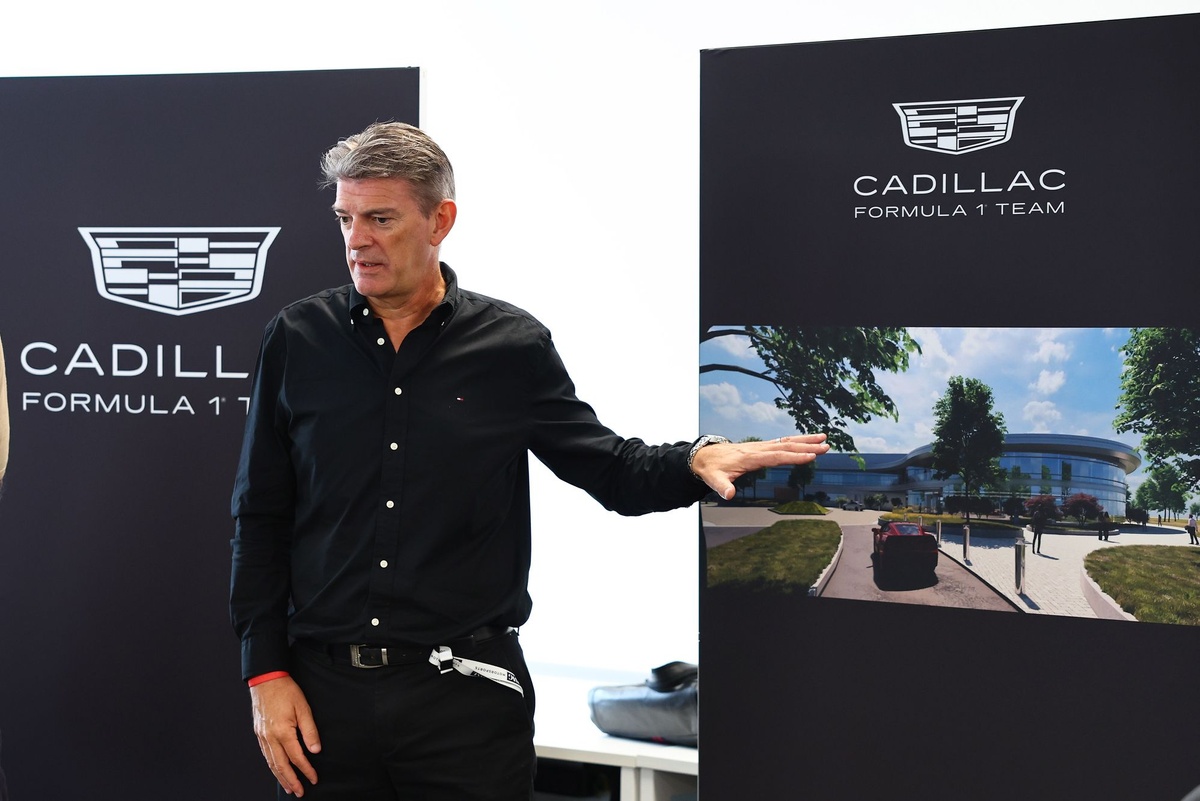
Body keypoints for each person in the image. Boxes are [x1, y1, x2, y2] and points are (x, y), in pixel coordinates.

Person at [229, 121, 830, 800]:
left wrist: (694, 460)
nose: (356, 239)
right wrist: (265, 673)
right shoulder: (296, 339)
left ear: (440, 220)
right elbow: (260, 516)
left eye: (380, 219)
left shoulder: (510, 347)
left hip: (465, 704)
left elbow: (610, 469)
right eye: (345, 218)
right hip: (323, 704)